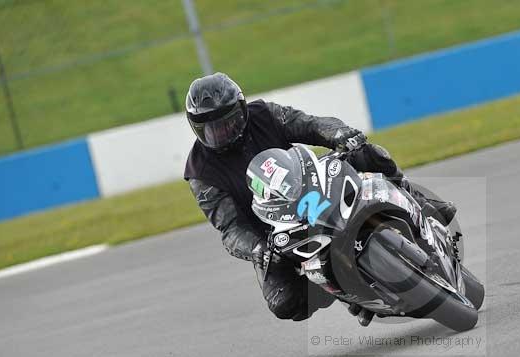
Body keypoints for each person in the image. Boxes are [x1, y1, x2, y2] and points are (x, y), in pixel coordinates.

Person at [183, 73, 455, 323]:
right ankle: (348, 292)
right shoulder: (200, 172)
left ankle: (418, 201)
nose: (222, 132)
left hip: (312, 186)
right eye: (211, 128)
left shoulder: (264, 113)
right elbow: (229, 228)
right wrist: (258, 249)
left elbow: (311, 125)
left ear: (241, 109)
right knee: (285, 303)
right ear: (196, 129)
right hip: (275, 234)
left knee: (367, 153)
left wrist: (340, 134)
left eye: (228, 121)